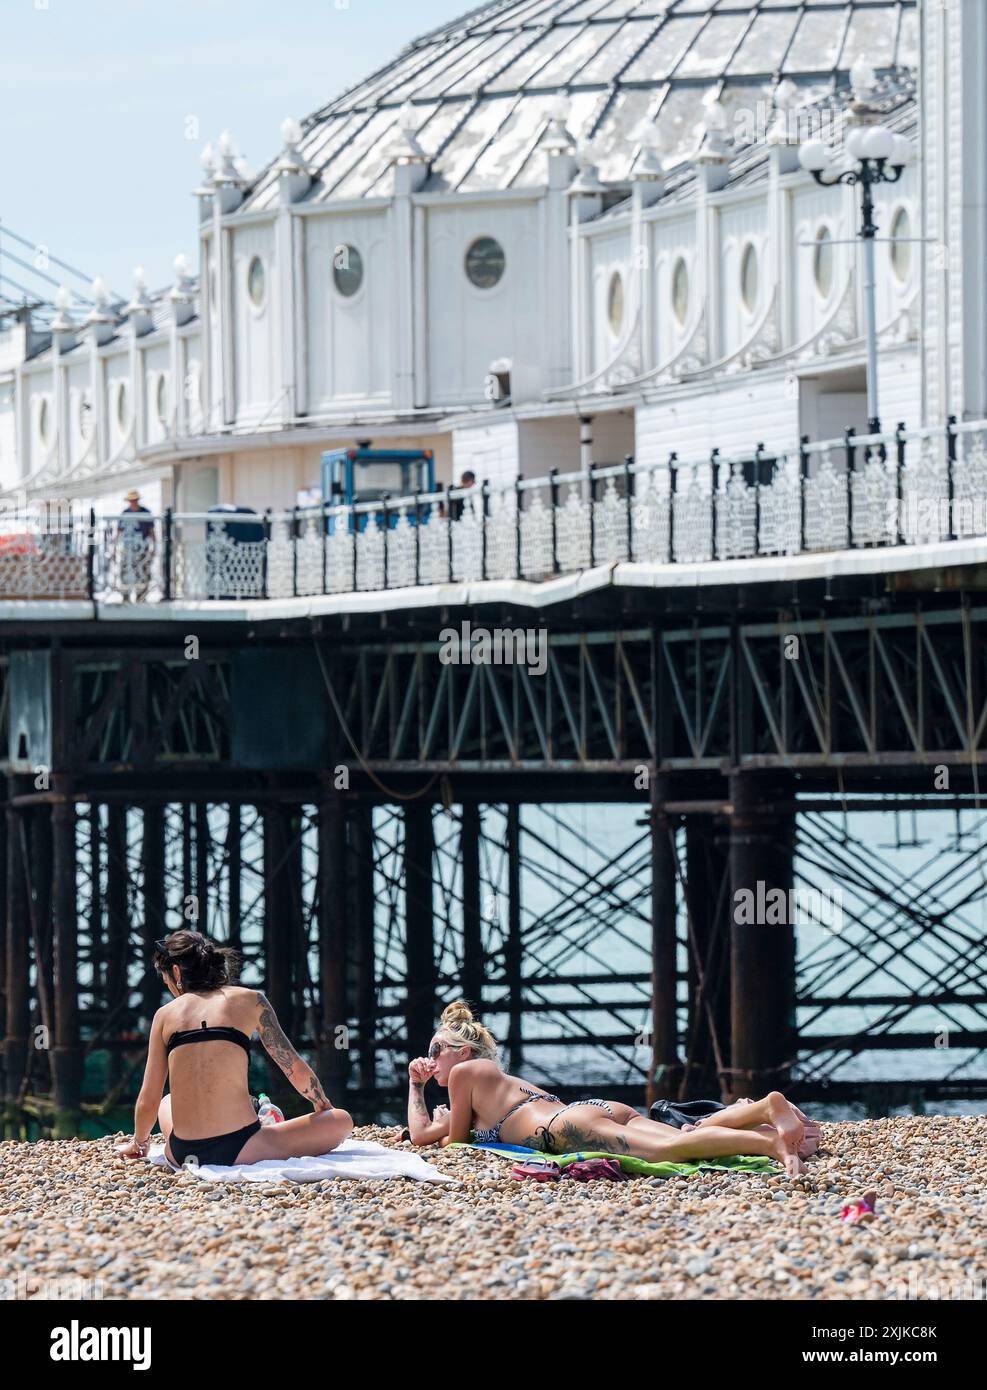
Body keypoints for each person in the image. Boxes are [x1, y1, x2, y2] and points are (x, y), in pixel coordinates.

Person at [403, 1001, 818, 1176]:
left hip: (565, 1127)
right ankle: (763, 1114)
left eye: (436, 1050)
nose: (431, 1061)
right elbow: (456, 1132)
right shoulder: (491, 1081)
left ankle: (769, 1147)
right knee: (685, 1137)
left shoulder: (465, 1074)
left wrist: (417, 1089)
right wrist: (428, 1094)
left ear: (462, 1050)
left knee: (668, 1152)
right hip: (595, 1109)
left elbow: (441, 1141)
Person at [116, 929, 352, 1168]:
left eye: (166, 980)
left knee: (167, 1100)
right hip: (240, 1148)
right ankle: (266, 1121)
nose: (169, 987)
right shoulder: (251, 1000)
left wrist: (140, 1142)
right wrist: (323, 1106)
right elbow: (292, 1066)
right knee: (342, 1120)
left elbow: (149, 1098)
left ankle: (260, 1118)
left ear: (176, 972)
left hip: (180, 1150)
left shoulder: (164, 1015)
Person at [116, 488, 155, 600]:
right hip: (127, 548)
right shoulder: (125, 513)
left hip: (142, 548)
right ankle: (125, 596)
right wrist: (114, 547)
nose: (133, 502)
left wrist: (154, 548)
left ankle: (141, 596)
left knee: (143, 571)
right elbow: (118, 532)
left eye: (135, 500)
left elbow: (152, 533)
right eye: (131, 500)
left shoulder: (146, 512)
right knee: (124, 571)